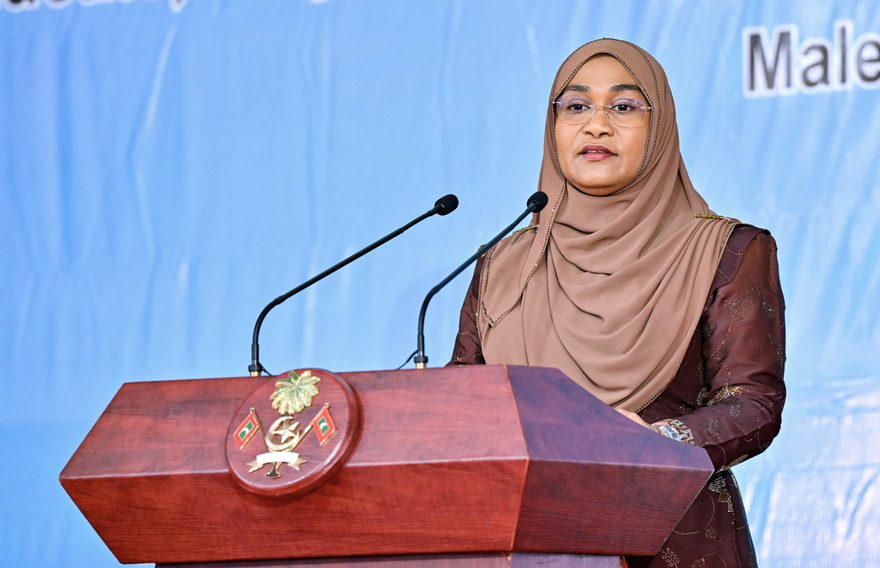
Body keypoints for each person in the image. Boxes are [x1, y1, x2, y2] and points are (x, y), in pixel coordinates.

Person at [448, 39, 785, 568]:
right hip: (523, 539)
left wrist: (653, 441)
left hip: (669, 539)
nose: (596, 125)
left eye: (624, 106)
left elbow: (753, 403)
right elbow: (461, 403)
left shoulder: (727, 251)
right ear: (553, 127)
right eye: (576, 106)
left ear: (659, 127)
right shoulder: (502, 264)